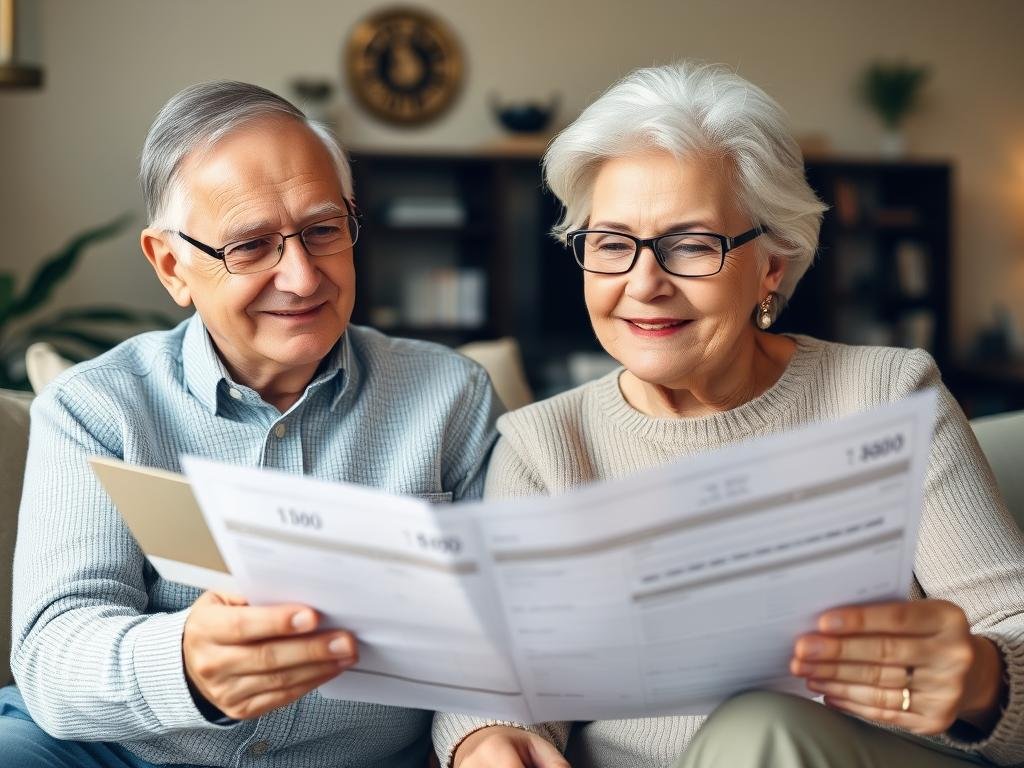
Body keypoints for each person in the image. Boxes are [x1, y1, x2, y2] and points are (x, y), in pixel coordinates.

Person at [433, 61, 1024, 768]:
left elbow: (1010, 634)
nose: (643, 285)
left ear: (772, 264)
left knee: (758, 728)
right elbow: (502, 681)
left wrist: (983, 679)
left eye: (690, 245)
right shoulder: (544, 443)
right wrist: (487, 740)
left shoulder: (890, 396)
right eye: (612, 244)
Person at [2, 81, 501, 768]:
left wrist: (480, 736)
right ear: (172, 265)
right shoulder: (95, 408)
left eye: (323, 230)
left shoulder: (452, 398)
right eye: (250, 246)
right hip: (128, 754)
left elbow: (496, 633)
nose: (301, 277)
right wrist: (184, 663)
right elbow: (55, 652)